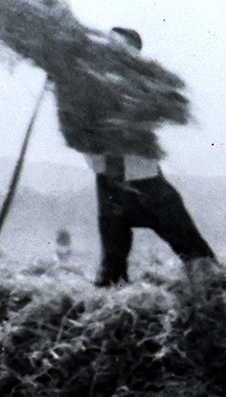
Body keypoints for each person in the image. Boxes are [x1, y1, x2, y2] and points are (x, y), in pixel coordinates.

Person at [89, 27, 218, 287]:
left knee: (194, 251)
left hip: (146, 182)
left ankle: (213, 294)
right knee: (111, 268)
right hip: (110, 185)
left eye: (123, 47)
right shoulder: (86, 84)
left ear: (135, 54)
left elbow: (173, 102)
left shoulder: (142, 85)